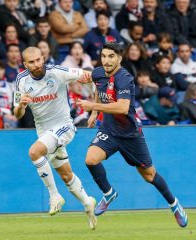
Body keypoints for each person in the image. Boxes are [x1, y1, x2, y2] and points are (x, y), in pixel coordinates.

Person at [76, 42, 188, 227]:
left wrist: (93, 107)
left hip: (130, 134)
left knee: (149, 175)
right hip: (109, 130)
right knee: (91, 159)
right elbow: (98, 87)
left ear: (119, 58)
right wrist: (95, 113)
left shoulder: (124, 77)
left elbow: (122, 106)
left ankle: (175, 205)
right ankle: (108, 193)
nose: (106, 60)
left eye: (111, 56)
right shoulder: (98, 73)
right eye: (103, 56)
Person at [14, 47, 97, 229]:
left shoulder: (58, 72)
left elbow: (91, 76)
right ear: (25, 64)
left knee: (34, 152)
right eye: (32, 62)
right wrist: (21, 105)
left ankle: (54, 196)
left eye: (38, 60)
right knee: (66, 175)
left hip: (64, 127)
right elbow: (17, 114)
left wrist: (95, 106)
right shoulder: (21, 80)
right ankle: (87, 203)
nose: (36, 64)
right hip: (44, 132)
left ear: (43, 58)